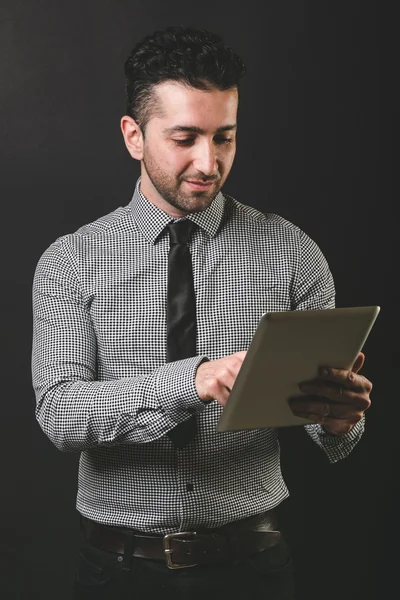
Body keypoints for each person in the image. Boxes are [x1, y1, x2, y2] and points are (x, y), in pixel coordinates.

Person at [31, 25, 372, 600]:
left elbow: (328, 435)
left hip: (254, 567)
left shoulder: (291, 251)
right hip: (116, 571)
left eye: (225, 138)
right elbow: (60, 415)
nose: (207, 162)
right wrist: (192, 381)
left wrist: (339, 419)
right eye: (185, 137)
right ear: (133, 136)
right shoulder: (70, 261)